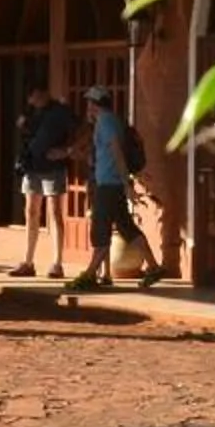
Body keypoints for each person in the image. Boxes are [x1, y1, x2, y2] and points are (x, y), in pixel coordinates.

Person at [70, 84, 161, 290]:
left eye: (90, 103)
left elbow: (117, 153)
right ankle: (154, 267)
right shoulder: (109, 121)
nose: (88, 107)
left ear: (96, 104)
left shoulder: (106, 122)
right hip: (112, 183)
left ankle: (89, 275)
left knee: (101, 229)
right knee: (126, 227)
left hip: (109, 185)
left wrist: (126, 183)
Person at [8, 83, 76, 279]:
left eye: (37, 95)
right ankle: (28, 261)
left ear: (44, 93)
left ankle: (57, 263)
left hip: (53, 168)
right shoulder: (29, 113)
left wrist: (67, 151)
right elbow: (25, 136)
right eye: (31, 97)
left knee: (54, 212)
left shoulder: (60, 111)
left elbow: (80, 131)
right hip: (32, 167)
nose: (34, 100)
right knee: (30, 211)